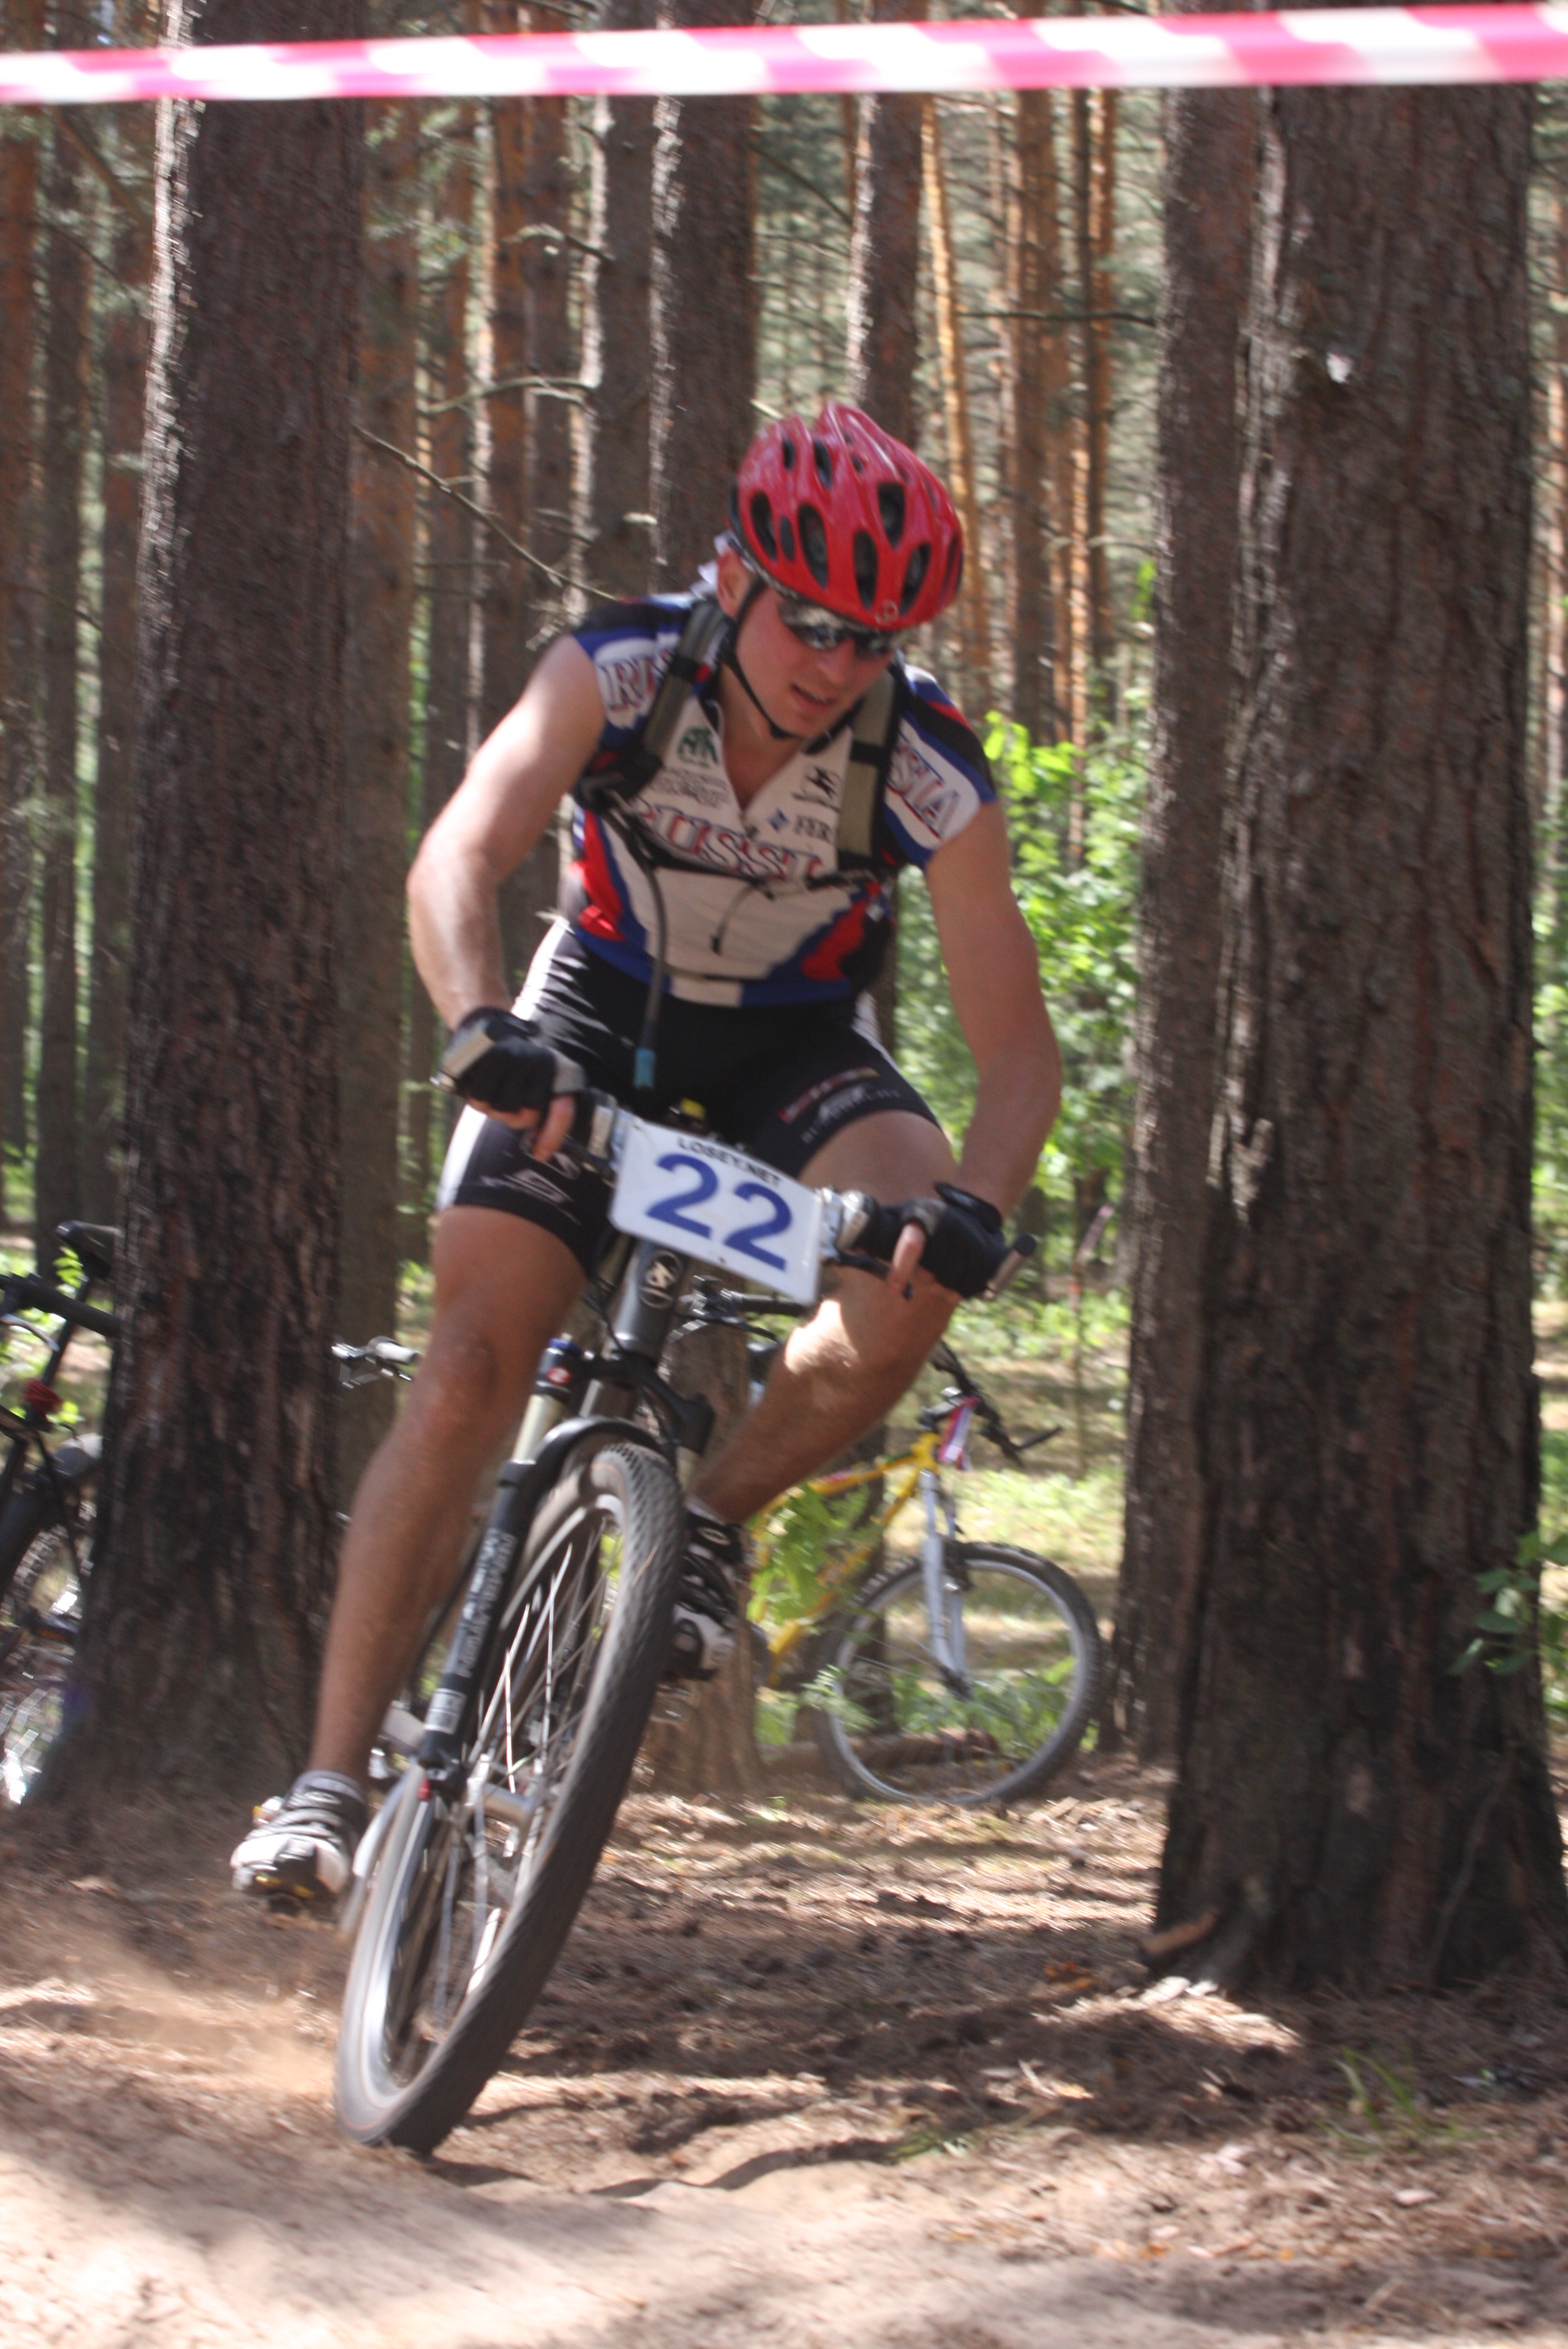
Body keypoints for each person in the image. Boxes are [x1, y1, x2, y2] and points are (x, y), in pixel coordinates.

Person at [233, 401, 1061, 1902]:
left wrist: (978, 1204)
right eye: (813, 620)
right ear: (735, 577)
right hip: (592, 1022)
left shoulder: (925, 758)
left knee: (912, 1278)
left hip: (791, 1053)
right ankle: (326, 1785)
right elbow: (460, 849)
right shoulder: (619, 665)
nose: (837, 663)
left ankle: (709, 1525)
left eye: (875, 639)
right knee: (469, 1370)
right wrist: (481, 1023)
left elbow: (1020, 1056)